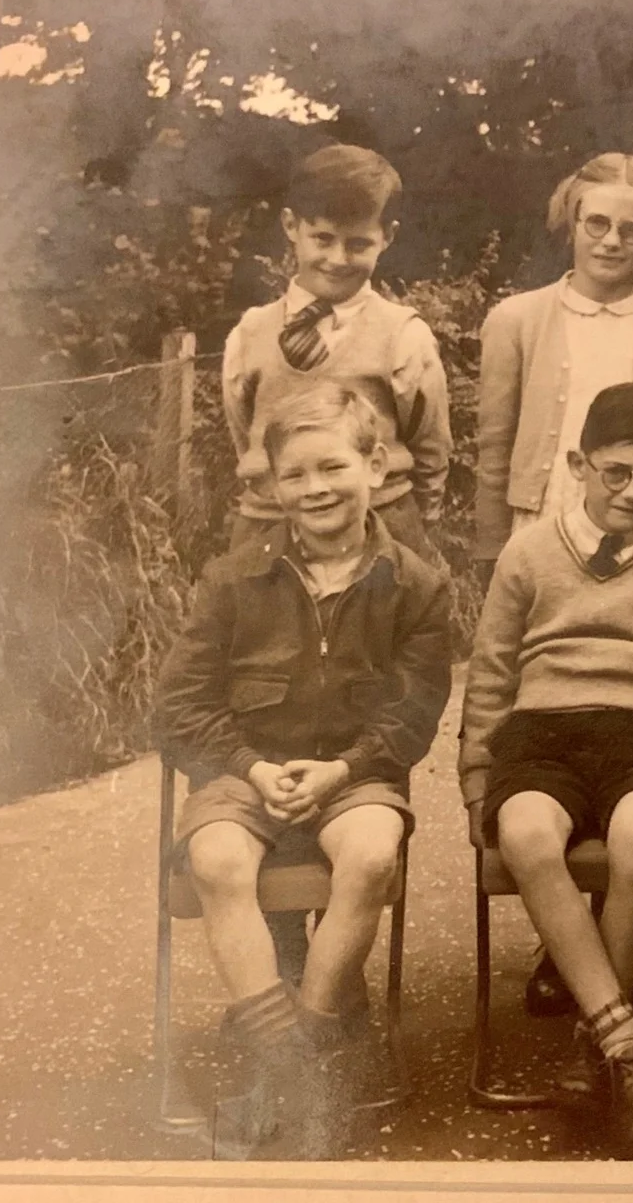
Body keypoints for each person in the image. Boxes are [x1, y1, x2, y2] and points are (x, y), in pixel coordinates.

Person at [155, 382, 453, 1160]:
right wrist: (252, 769)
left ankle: (298, 1065)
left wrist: (343, 769)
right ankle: (294, 1070)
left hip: (355, 777)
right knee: (217, 859)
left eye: (333, 467)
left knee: (370, 855)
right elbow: (179, 706)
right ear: (271, 484)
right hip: (242, 774)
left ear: (375, 464)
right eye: (295, 475)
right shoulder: (232, 579)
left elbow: (412, 715)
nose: (315, 489)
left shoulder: (418, 587)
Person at [458, 382, 633, 1156]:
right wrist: (478, 771)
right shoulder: (529, 552)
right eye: (615, 472)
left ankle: (597, 1048)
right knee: (526, 833)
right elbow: (490, 671)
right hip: (543, 735)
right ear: (579, 463)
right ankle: (627, 1048)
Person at [474, 151, 633, 567]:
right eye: (598, 223)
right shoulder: (515, 320)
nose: (611, 241)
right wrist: (491, 550)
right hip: (545, 512)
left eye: (632, 231)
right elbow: (495, 446)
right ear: (573, 223)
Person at [221, 143, 452, 563]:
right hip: (268, 529)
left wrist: (413, 523)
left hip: (379, 529)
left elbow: (430, 447)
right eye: (322, 239)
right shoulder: (250, 334)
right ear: (291, 226)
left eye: (358, 244)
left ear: (388, 237)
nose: (337, 259)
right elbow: (246, 436)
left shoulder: (404, 337)